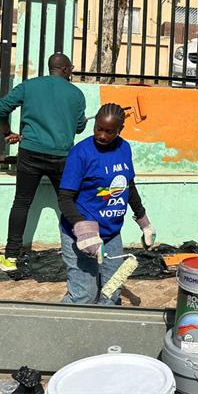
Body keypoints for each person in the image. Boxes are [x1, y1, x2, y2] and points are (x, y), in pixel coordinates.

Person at [0, 53, 87, 272]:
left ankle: (11, 257)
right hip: (62, 158)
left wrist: (7, 132)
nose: (71, 71)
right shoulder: (76, 94)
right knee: (68, 204)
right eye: (71, 67)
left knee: (22, 202)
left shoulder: (30, 86)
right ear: (64, 69)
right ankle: (77, 254)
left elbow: (1, 108)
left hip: (30, 153)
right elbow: (80, 127)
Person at [56, 103, 157, 305]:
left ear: (120, 129)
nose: (102, 135)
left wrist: (143, 221)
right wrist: (83, 231)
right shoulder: (81, 153)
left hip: (111, 233)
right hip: (80, 235)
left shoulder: (124, 148)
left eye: (109, 131)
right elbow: (65, 197)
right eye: (98, 129)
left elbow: (128, 185)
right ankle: (64, 329)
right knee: (83, 296)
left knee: (112, 292)